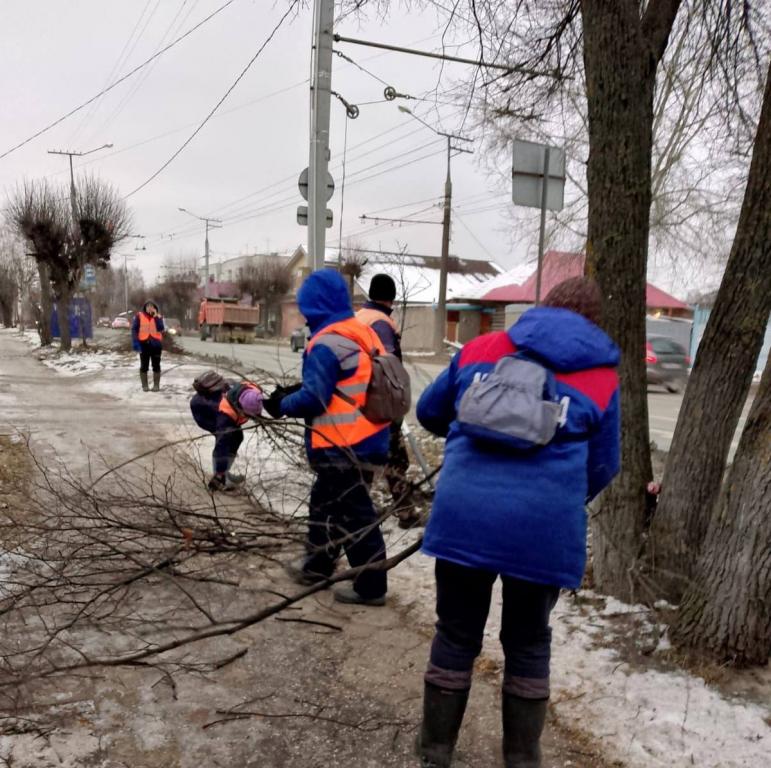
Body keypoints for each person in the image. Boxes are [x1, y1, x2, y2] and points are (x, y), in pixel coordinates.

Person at [414, 277, 621, 768]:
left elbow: (428, 412)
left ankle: (435, 750)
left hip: (465, 517)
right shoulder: (601, 378)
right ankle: (522, 758)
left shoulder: (480, 349)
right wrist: (561, 499)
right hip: (542, 531)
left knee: (455, 633)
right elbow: (604, 464)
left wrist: (470, 438)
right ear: (593, 322)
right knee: (528, 643)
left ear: (544, 307)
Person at [262, 269, 391, 606]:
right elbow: (345, 382)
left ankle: (371, 586)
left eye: (306, 308)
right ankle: (317, 568)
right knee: (324, 507)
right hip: (370, 438)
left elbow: (314, 399)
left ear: (317, 305)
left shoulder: (326, 342)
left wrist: (281, 405)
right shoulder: (362, 332)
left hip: (342, 445)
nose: (304, 315)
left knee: (354, 515)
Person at [356, 273, 420, 529]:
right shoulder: (381, 323)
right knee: (395, 458)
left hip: (358, 400)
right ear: (391, 297)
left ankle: (357, 511)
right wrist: (394, 406)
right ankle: (406, 513)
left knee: (365, 458)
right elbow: (386, 367)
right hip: (378, 402)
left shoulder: (359, 317)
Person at [190, 375, 263, 492]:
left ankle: (225, 472)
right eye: (248, 415)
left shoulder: (253, 392)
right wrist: (218, 475)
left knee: (237, 436)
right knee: (226, 440)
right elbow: (221, 445)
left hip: (218, 405)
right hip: (204, 413)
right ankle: (221, 476)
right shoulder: (225, 417)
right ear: (239, 407)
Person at [131, 300, 165, 392]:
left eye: (151, 306)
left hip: (156, 345)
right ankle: (145, 386)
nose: (149, 308)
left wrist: (156, 317)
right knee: (144, 365)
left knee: (156, 365)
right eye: (148, 306)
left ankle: (156, 385)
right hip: (144, 344)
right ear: (145, 308)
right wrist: (135, 342)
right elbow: (134, 329)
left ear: (155, 308)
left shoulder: (158, 317)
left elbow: (161, 328)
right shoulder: (139, 316)